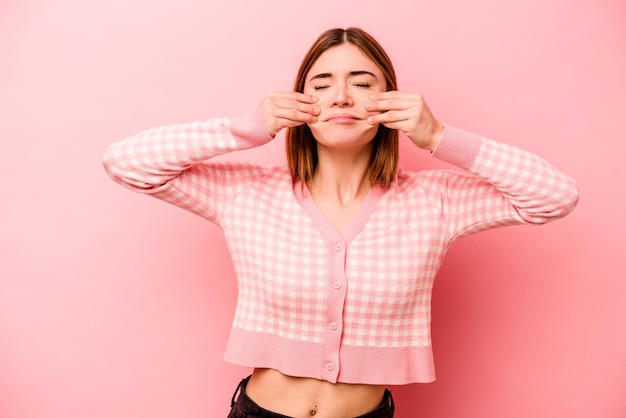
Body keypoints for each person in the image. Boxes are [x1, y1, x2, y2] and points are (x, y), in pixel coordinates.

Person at [102, 27, 579, 418]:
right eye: (322, 83)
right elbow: (126, 163)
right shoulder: (245, 194)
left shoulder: (435, 201)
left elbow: (554, 197)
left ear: (391, 101)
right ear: (299, 105)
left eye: (363, 82)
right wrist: (245, 128)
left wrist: (437, 135)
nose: (341, 95)